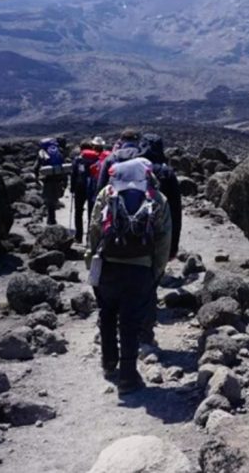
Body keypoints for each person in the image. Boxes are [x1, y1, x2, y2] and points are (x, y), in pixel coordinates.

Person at [86, 157, 172, 395]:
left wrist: (92, 261)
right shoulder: (156, 197)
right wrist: (156, 271)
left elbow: (94, 229)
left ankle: (108, 361)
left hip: (108, 265)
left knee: (107, 314)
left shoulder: (107, 193)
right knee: (130, 322)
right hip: (140, 268)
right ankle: (127, 377)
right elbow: (164, 239)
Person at [139, 132, 183, 345]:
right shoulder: (166, 173)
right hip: (161, 235)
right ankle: (146, 325)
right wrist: (174, 244)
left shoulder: (134, 171)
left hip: (135, 233)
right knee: (153, 276)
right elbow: (176, 211)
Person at [70, 139, 101, 243]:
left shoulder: (78, 158)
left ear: (81, 148)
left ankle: (78, 236)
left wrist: (72, 188)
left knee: (78, 211)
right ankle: (89, 237)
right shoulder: (97, 158)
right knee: (91, 213)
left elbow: (73, 174)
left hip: (79, 187)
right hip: (92, 187)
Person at [34, 137, 69, 226]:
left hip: (47, 180)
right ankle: (52, 219)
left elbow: (35, 167)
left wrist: (36, 178)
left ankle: (51, 221)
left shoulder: (42, 153)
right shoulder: (59, 152)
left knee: (49, 201)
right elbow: (63, 167)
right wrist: (65, 181)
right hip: (58, 179)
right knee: (54, 199)